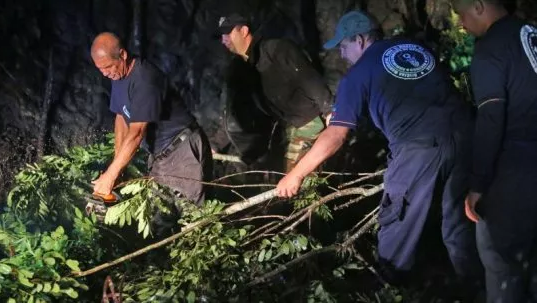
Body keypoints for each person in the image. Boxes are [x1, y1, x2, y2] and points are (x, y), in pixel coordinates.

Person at [275, 10, 483, 285]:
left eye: (344, 46)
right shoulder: (416, 49)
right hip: (467, 136)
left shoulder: (357, 75)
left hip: (418, 148)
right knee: (459, 224)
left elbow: (337, 135)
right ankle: (478, 289)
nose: (342, 54)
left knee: (396, 227)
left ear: (360, 39)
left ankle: (387, 290)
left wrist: (296, 174)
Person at [453, 0, 537, 301]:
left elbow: (491, 119)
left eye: (462, 15)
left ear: (478, 7)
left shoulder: (491, 49)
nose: (462, 24)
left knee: (501, 261)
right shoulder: (531, 33)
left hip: (516, 170)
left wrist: (478, 184)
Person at [90, 32, 212, 234]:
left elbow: (137, 133)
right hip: (160, 156)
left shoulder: (145, 79)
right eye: (100, 69)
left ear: (123, 54)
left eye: (108, 67)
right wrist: (117, 167)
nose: (105, 73)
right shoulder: (117, 75)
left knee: (192, 220)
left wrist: (110, 176)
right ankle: (162, 262)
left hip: (181, 151)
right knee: (158, 219)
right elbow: (121, 118)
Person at [217, 12, 333, 172]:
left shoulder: (276, 49)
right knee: (279, 177)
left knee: (297, 178)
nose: (224, 40)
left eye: (227, 34)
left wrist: (329, 110)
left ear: (243, 31)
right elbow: (233, 110)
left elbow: (309, 77)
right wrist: (216, 144)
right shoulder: (239, 68)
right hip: (282, 128)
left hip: (308, 122)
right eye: (222, 36)